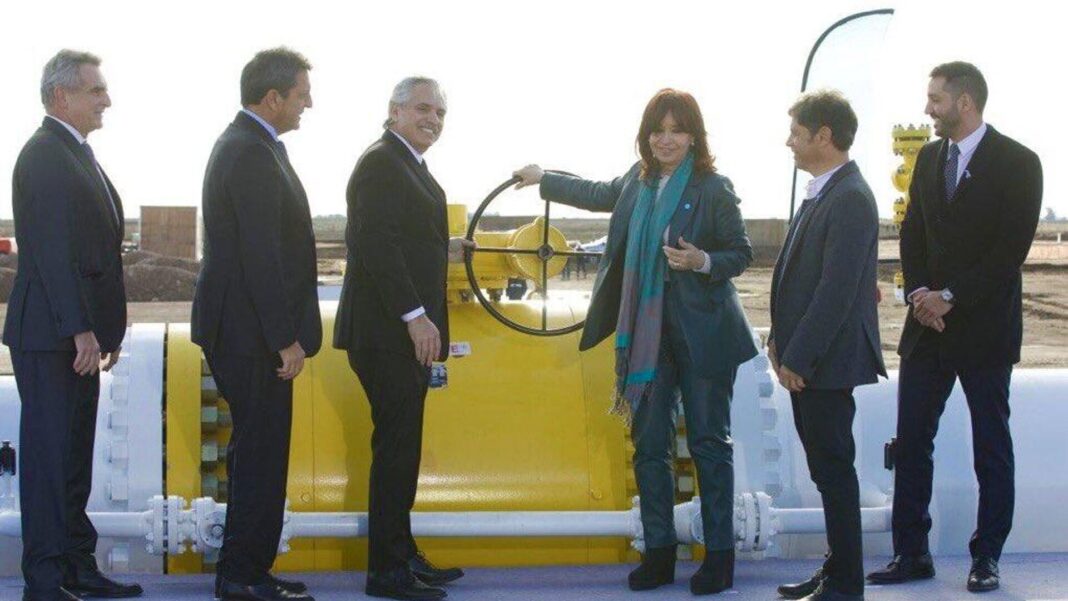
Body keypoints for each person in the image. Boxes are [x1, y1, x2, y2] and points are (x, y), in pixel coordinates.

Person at [513, 88, 757, 595]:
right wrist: (543, 179)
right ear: (646, 136)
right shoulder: (635, 181)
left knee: (709, 445)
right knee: (649, 447)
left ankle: (719, 558)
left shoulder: (713, 187)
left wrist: (702, 261)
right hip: (647, 338)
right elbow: (594, 192)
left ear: (694, 136)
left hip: (705, 334)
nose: (666, 140)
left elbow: (740, 252)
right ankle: (659, 552)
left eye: (677, 130)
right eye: (657, 131)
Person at [867, 61, 1043, 594]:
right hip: (927, 329)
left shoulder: (1019, 162)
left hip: (984, 330)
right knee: (911, 442)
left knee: (991, 447)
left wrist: (951, 297)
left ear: (964, 103)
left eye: (936, 99)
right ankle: (911, 553)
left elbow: (1008, 250)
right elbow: (913, 232)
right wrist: (921, 293)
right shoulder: (928, 158)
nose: (928, 109)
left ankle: (986, 557)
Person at [3, 49, 141, 601]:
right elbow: (53, 252)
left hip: (74, 336)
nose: (107, 99)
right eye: (95, 90)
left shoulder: (74, 152)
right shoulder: (44, 155)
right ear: (62, 96)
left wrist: (103, 331)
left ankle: (76, 567)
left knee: (74, 459)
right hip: (51, 336)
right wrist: (79, 328)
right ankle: (44, 582)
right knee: (49, 461)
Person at [333, 76, 473, 601]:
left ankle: (402, 553)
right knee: (395, 450)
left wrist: (448, 247)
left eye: (439, 112)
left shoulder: (407, 163)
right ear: (394, 111)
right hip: (386, 334)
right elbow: (376, 243)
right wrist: (415, 316)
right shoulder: (381, 163)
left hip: (400, 336)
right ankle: (387, 572)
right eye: (422, 109)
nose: (432, 119)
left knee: (403, 448)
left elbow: (406, 236)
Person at [191, 47, 321, 601]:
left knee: (258, 453)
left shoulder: (253, 145)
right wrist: (283, 339)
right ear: (272, 98)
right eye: (301, 95)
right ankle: (242, 575)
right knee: (261, 456)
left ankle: (247, 569)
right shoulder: (249, 151)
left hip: (245, 329)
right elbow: (260, 255)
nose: (308, 104)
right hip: (251, 336)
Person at [770, 90, 885, 601]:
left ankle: (845, 584)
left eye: (796, 134)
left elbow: (836, 291)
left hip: (825, 364)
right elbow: (798, 281)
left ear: (823, 136)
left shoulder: (851, 197)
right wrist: (779, 343)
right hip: (809, 361)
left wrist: (799, 357)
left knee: (834, 472)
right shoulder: (825, 192)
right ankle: (838, 570)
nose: (788, 142)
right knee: (826, 471)